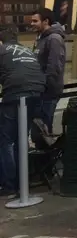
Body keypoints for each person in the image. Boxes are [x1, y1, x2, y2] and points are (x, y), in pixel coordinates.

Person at [0, 27, 45, 193]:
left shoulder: (2, 49)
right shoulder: (26, 49)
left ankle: (8, 184)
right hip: (38, 91)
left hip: (16, 92)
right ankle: (22, 182)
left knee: (5, 140)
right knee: (21, 137)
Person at [31, 8, 65, 133]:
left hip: (48, 91)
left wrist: (44, 85)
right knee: (39, 124)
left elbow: (54, 67)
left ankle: (46, 150)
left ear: (45, 21)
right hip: (40, 89)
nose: (32, 24)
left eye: (35, 21)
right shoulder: (41, 38)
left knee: (44, 125)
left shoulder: (54, 39)